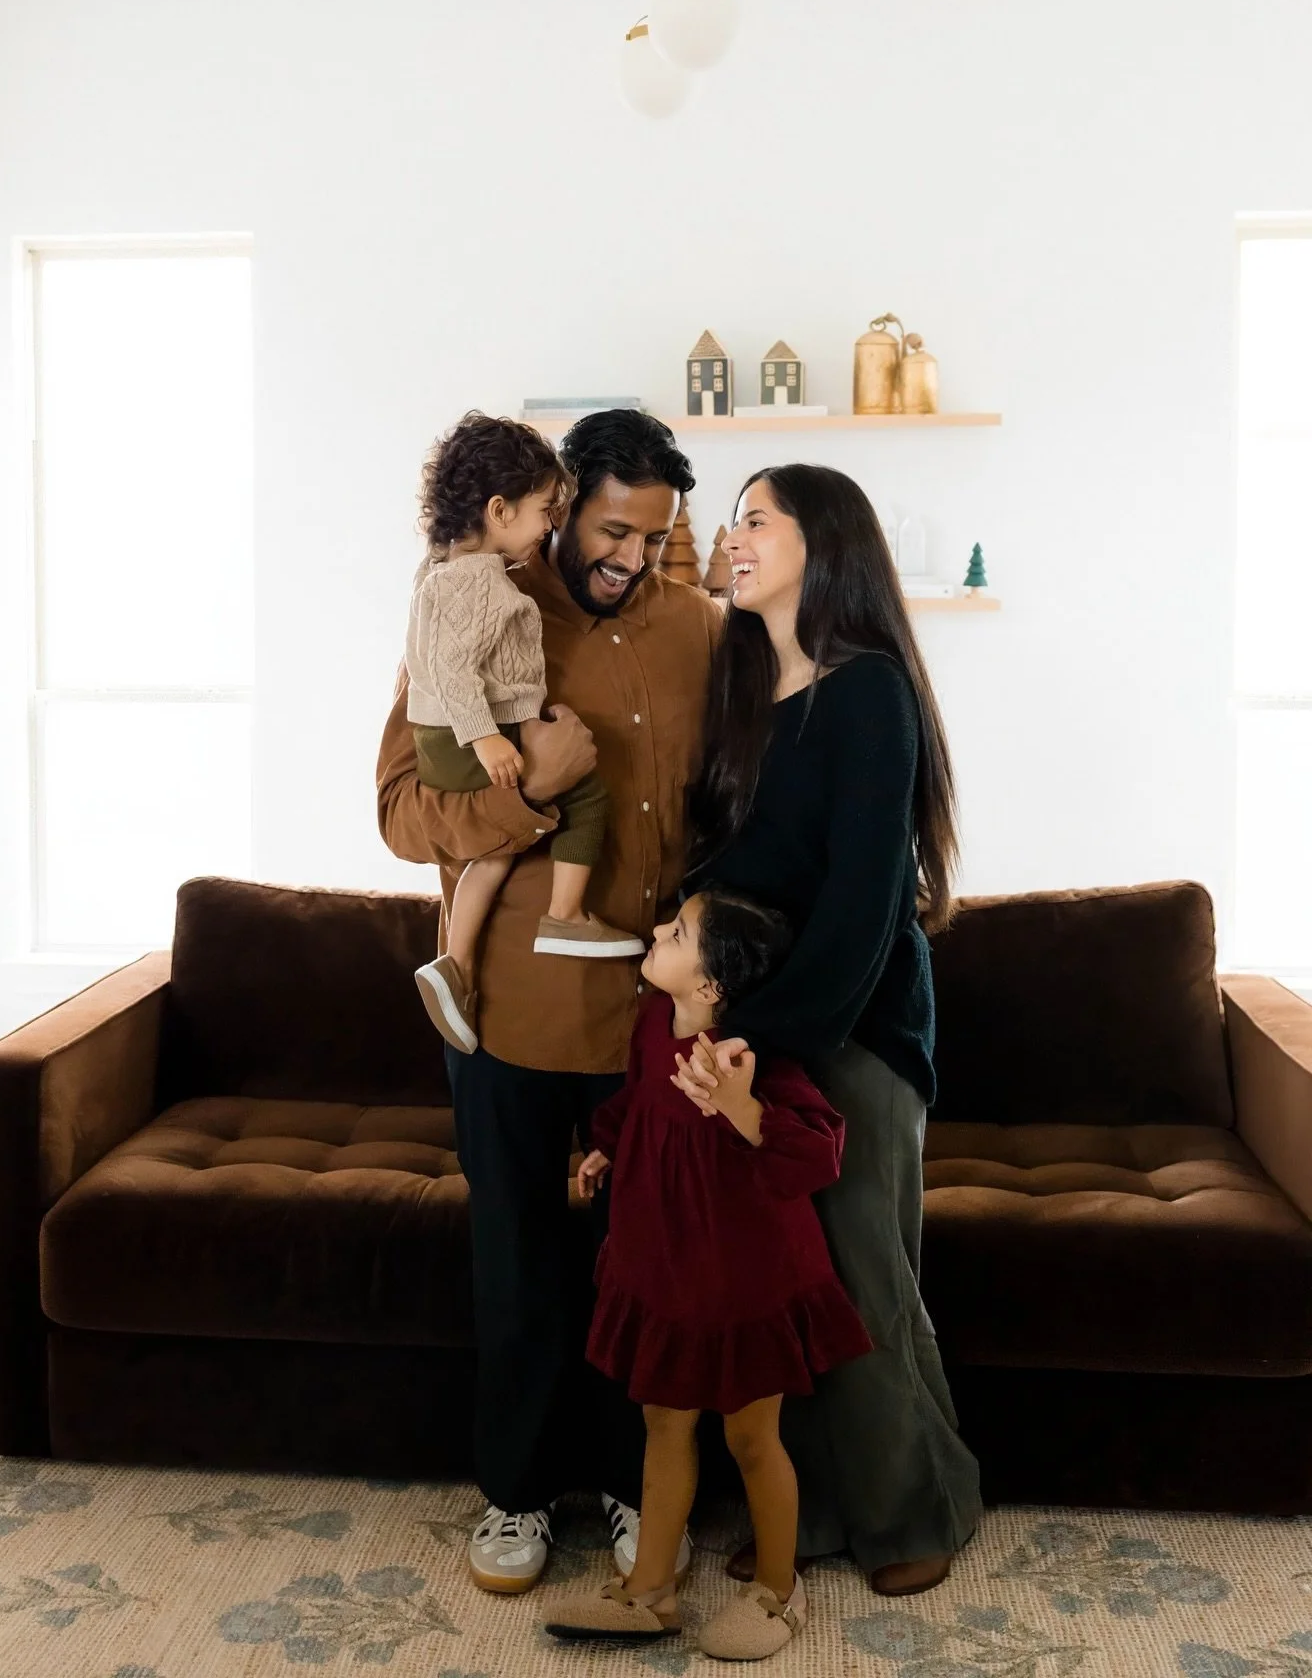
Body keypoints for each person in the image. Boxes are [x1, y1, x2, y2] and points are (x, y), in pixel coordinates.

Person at [376, 408, 724, 1593]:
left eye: (654, 535)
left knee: (651, 1264)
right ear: (561, 506)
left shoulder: (700, 635)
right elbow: (400, 813)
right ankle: (518, 1499)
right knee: (520, 1262)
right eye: (612, 527)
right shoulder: (475, 607)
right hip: (509, 1011)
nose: (629, 555)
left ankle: (640, 1487)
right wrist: (537, 800)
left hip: (648, 1013)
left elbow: (727, 809)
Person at [675, 463, 982, 1598]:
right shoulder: (745, 692)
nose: (733, 538)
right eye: (732, 521)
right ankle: (798, 1518)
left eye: (758, 519)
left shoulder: (870, 693)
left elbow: (861, 904)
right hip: (751, 1033)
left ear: (825, 542)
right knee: (776, 1288)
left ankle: (914, 1508)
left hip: (850, 1030)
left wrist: (769, 1037)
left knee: (860, 1276)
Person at [542, 890, 872, 1661]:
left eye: (679, 931)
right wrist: (606, 1149)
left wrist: (738, 1105)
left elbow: (817, 1154)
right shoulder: (655, 1023)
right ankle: (650, 1591)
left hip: (743, 1280)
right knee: (663, 1423)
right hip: (663, 1265)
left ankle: (779, 1594)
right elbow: (640, 1103)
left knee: (754, 1439)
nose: (659, 931)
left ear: (713, 986)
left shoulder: (751, 1058)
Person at [405, 413, 644, 1055]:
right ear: (498, 508)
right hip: (467, 737)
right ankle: (563, 916)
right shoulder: (480, 581)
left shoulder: (440, 570)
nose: (548, 526)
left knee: (492, 856)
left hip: (453, 735)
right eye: (544, 511)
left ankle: (457, 966)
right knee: (578, 800)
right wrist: (487, 737)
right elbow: (454, 670)